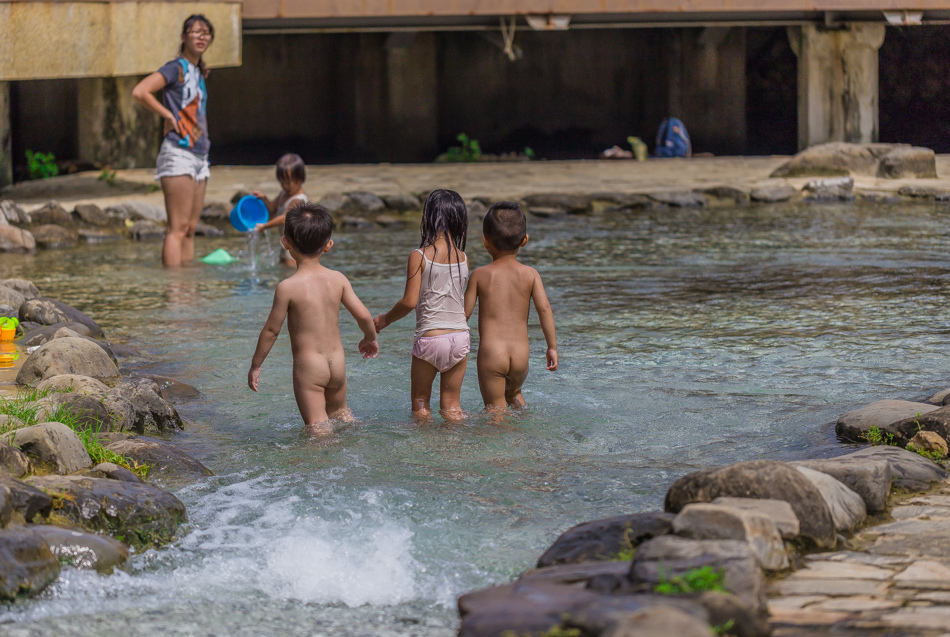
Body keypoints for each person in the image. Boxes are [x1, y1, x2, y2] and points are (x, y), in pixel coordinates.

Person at [248, 203, 379, 432]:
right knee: (342, 415)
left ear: (285, 242)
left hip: (310, 368)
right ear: (328, 245)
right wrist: (370, 338)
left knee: (318, 430)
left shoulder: (287, 287)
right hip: (336, 363)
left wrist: (256, 365)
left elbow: (271, 331)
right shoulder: (338, 279)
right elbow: (364, 316)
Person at [374, 189, 470, 420]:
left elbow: (409, 302)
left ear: (427, 219)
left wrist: (384, 319)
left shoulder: (419, 256)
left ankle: (423, 450)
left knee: (420, 402)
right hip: (460, 337)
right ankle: (456, 449)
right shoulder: (464, 258)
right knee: (452, 406)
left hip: (430, 338)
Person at [132, 14, 215, 267]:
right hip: (178, 153)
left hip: (200, 155)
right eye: (195, 31)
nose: (202, 36)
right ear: (183, 37)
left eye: (206, 33)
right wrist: (167, 114)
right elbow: (140, 91)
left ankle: (187, 292)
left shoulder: (199, 71)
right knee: (177, 229)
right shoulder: (175, 67)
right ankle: (175, 295)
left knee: (189, 228)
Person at [464, 201, 558, 414]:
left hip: (492, 354)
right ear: (524, 241)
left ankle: (503, 446)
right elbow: (544, 310)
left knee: (495, 411)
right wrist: (551, 347)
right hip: (520, 355)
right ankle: (526, 437)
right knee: (513, 395)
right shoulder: (531, 274)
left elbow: (464, 315)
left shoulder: (479, 275)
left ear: (485, 242)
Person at [252, 153, 308, 267]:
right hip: (286, 243)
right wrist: (263, 198)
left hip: (296, 247)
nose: (285, 186)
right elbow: (272, 208)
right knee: (282, 271)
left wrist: (264, 226)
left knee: (291, 274)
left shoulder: (298, 200)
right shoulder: (284, 194)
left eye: (288, 182)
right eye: (282, 182)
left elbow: (284, 218)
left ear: (300, 179)